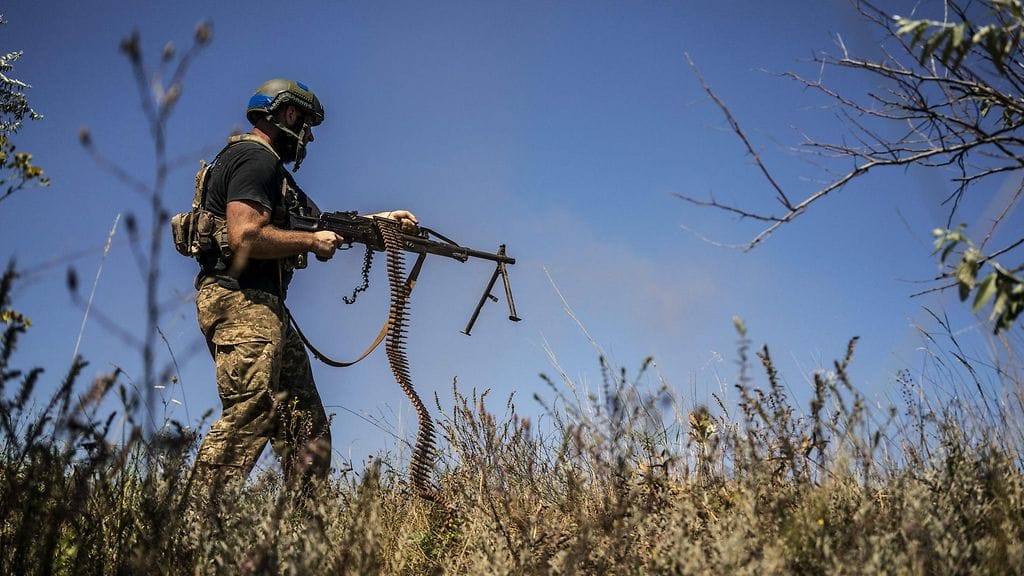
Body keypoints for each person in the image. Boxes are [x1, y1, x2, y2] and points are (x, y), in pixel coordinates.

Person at [190, 78, 418, 495]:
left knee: (308, 430)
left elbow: (316, 222)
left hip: (264, 306)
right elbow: (245, 236)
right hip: (241, 302)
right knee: (251, 412)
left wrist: (377, 221)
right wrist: (312, 243)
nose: (309, 136)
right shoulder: (255, 160)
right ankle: (189, 534)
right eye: (307, 124)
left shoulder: (268, 170)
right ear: (288, 115)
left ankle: (299, 542)